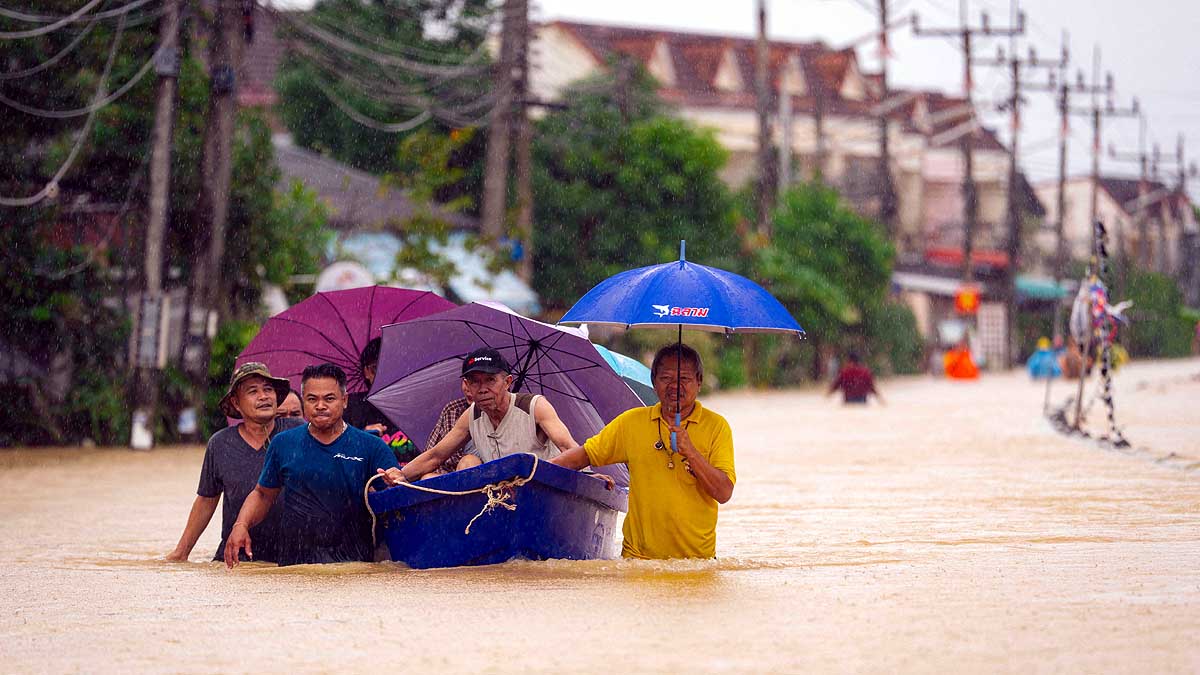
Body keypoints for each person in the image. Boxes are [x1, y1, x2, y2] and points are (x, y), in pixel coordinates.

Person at [552, 344, 735, 560]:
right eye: (666, 378)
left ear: (699, 382)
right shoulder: (631, 423)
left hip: (697, 563)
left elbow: (724, 493)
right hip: (638, 561)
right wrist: (531, 470)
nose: (675, 386)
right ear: (654, 382)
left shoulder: (717, 427)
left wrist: (692, 453)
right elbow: (582, 456)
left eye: (684, 379)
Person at [224, 363, 404, 568]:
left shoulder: (371, 446)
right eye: (312, 399)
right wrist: (241, 525)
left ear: (344, 400)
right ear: (303, 401)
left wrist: (397, 481)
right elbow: (263, 494)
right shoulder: (283, 443)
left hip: (354, 568)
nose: (320, 406)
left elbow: (396, 501)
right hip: (294, 568)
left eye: (329, 399)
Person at [165, 363, 302, 563]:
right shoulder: (220, 444)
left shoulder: (298, 432)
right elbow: (206, 501)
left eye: (268, 389)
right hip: (237, 556)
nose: (263, 396)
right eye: (253, 391)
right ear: (236, 403)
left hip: (291, 556)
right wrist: (181, 553)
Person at [395, 347, 579, 480]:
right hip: (501, 497)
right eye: (475, 382)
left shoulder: (534, 406)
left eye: (490, 380)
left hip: (543, 489)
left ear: (507, 382)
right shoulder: (472, 415)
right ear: (467, 386)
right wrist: (400, 475)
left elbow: (568, 447)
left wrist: (587, 477)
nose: (482, 389)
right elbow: (435, 456)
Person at [344, 337, 419, 464]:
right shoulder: (350, 406)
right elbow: (339, 454)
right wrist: (360, 436)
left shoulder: (416, 405)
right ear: (366, 372)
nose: (383, 374)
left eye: (391, 367)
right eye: (376, 368)